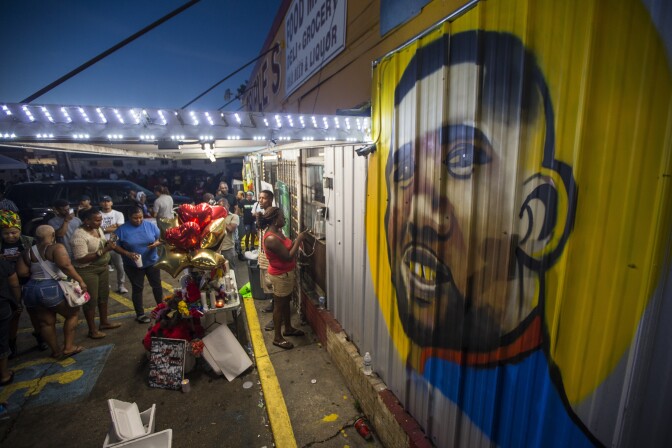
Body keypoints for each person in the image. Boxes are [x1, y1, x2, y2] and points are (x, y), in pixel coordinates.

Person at [16, 225, 87, 359]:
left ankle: (56, 351)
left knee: (46, 322)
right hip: (51, 287)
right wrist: (80, 281)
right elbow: (66, 266)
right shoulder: (56, 248)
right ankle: (68, 347)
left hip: (32, 289)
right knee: (72, 314)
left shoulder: (27, 252)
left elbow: (22, 272)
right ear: (53, 235)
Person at [257, 207, 308, 350]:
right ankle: (277, 337)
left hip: (286, 274)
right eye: (282, 217)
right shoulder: (271, 238)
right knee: (279, 306)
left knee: (286, 302)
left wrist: (295, 243)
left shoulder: (277, 232)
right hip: (280, 276)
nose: (284, 219)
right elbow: (287, 256)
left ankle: (288, 328)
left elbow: (287, 247)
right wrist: (299, 239)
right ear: (274, 219)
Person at [0, 211, 47, 356]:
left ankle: (40, 337)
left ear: (19, 230)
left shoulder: (28, 241)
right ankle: (11, 343)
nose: (10, 236)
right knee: (14, 314)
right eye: (6, 233)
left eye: (14, 232)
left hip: (28, 281)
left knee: (35, 311)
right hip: (7, 286)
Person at [71, 208, 121, 339]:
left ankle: (104, 322)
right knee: (91, 301)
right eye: (97, 220)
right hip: (88, 270)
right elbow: (80, 258)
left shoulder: (97, 229)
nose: (100, 222)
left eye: (101, 219)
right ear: (87, 220)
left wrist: (108, 244)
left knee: (103, 296)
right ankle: (92, 330)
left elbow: (102, 243)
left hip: (102, 268)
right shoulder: (79, 235)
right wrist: (104, 250)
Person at [114, 207, 163, 323]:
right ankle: (140, 314)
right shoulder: (120, 230)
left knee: (157, 286)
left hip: (151, 261)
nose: (139, 220)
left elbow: (161, 238)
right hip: (133, 265)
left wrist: (156, 244)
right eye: (135, 218)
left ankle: (161, 309)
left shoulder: (150, 225)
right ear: (129, 217)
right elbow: (112, 245)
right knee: (137, 288)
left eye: (140, 217)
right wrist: (127, 253)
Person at [99, 196, 128, 294]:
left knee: (120, 267)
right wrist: (113, 226)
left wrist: (103, 229)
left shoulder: (118, 214)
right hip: (102, 244)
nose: (106, 203)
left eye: (108, 201)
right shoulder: (98, 214)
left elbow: (120, 228)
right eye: (104, 201)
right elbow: (96, 229)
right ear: (100, 203)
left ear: (111, 203)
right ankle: (105, 286)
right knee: (103, 267)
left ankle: (121, 285)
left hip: (115, 243)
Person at [0, 257, 21, 385]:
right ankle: (4, 374)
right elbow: (14, 285)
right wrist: (17, 303)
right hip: (2, 307)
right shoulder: (3, 264)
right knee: (2, 339)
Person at [256, 190, 276, 320]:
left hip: (269, 256)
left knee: (272, 283)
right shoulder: (264, 214)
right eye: (260, 198)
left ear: (270, 199)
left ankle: (276, 312)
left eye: (263, 198)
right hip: (262, 253)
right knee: (267, 282)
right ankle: (273, 304)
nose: (260, 201)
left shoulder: (272, 215)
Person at [216, 198, 239, 269]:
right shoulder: (215, 216)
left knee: (231, 270)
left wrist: (221, 218)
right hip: (217, 249)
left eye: (223, 206)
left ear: (228, 205)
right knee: (219, 272)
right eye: (220, 207)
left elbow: (230, 229)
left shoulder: (234, 216)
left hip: (228, 249)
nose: (222, 208)